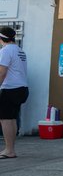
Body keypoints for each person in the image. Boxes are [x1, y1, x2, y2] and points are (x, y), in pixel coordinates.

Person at [0, 27, 27, 159]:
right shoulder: (19, 50)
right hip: (22, 88)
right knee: (11, 119)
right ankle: (10, 149)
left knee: (5, 119)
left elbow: (2, 72)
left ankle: (9, 150)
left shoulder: (5, 51)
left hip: (11, 89)